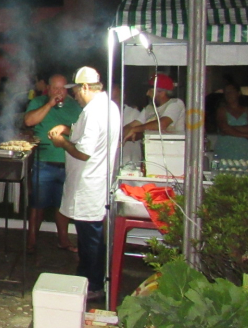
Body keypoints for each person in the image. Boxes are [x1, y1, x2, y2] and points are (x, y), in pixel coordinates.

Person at [48, 67, 121, 301]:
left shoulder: (93, 112)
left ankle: (93, 284)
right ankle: (88, 279)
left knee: (90, 239)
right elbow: (87, 137)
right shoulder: (107, 107)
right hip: (92, 182)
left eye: (77, 90)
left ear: (86, 87)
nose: (75, 95)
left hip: (88, 184)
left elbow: (83, 152)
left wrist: (62, 143)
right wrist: (68, 129)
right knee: (90, 236)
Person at [23, 73, 81, 254]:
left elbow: (81, 131)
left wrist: (66, 129)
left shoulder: (75, 105)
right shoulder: (39, 102)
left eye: (63, 88)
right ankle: (31, 242)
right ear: (48, 88)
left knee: (62, 206)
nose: (59, 92)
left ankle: (63, 240)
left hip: (68, 162)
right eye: (55, 88)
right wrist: (50, 104)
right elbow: (29, 121)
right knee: (37, 205)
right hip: (44, 162)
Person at [123, 73, 186, 140]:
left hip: (173, 148)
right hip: (152, 148)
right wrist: (121, 135)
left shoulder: (176, 103)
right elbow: (132, 125)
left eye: (150, 90)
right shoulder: (149, 108)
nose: (147, 94)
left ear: (161, 92)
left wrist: (135, 129)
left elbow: (161, 125)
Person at [214, 81, 248, 166]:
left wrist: (230, 128)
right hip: (226, 148)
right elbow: (224, 128)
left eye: (231, 92)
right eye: (226, 92)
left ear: (238, 93)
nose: (228, 94)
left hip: (244, 148)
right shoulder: (221, 110)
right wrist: (245, 135)